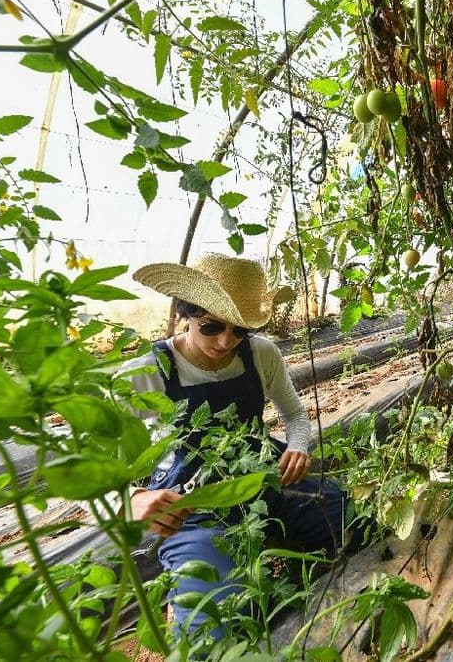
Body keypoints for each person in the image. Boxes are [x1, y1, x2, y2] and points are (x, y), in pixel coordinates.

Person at [121, 252, 349, 640]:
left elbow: (295, 416)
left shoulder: (261, 354)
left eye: (239, 330)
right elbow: (94, 477)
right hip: (196, 512)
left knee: (352, 521)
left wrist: (298, 447)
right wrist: (133, 500)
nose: (226, 341)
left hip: (267, 485)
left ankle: (285, 545)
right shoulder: (145, 375)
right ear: (185, 315)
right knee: (212, 627)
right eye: (211, 327)